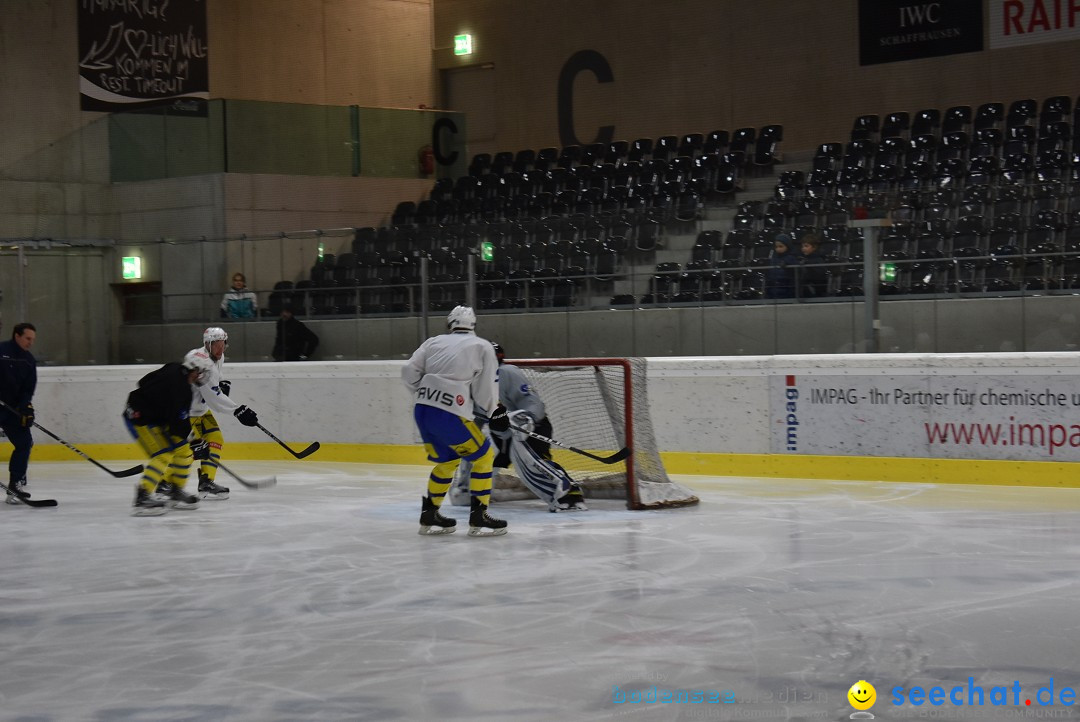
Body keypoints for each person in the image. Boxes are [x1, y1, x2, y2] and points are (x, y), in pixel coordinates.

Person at [401, 305, 506, 536]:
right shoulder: (482, 345)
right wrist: (494, 412)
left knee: (447, 462)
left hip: (423, 411)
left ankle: (430, 514)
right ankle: (479, 516)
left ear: (450, 324)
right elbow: (486, 389)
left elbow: (408, 371)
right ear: (473, 325)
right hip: (450, 414)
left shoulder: (433, 342)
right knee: (485, 456)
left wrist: (427, 393)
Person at [450, 341, 586, 512]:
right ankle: (468, 490)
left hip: (529, 430)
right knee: (475, 450)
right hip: (500, 434)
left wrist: (525, 418)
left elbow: (533, 403)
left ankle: (568, 493)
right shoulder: (473, 382)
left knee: (532, 462)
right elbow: (479, 414)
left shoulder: (508, 373)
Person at [123, 352, 215, 516]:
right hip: (140, 419)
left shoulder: (173, 367)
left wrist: (193, 442)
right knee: (163, 454)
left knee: (184, 451)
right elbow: (178, 425)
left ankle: (175, 491)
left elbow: (143, 382)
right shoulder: (182, 390)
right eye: (201, 371)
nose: (201, 375)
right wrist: (196, 441)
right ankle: (142, 497)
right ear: (194, 369)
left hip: (154, 418)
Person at [181, 327, 261, 501]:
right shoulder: (200, 361)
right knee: (189, 451)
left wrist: (222, 382)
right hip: (188, 413)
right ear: (207, 344)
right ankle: (169, 484)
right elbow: (212, 397)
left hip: (201, 411)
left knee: (216, 439)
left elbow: (216, 379)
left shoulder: (218, 357)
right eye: (215, 344)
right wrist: (237, 410)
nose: (220, 348)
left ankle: (206, 483)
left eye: (222, 343)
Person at [0, 323, 37, 505]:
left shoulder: (29, 361)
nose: (30, 342)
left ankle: (15, 486)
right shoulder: (1, 351)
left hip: (12, 410)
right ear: (17, 336)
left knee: (24, 443)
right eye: (27, 338)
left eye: (33, 339)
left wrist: (25, 408)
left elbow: (28, 390)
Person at [765, 233, 798, 300]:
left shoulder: (792, 259)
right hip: (773, 293)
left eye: (781, 246)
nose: (778, 249)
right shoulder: (773, 259)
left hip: (787, 294)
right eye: (776, 247)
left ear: (787, 246)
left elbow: (794, 277)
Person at [797, 234, 831, 298]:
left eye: (806, 246)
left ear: (814, 247)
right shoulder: (802, 259)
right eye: (802, 246)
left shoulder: (819, 260)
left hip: (817, 291)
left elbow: (820, 275)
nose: (803, 248)